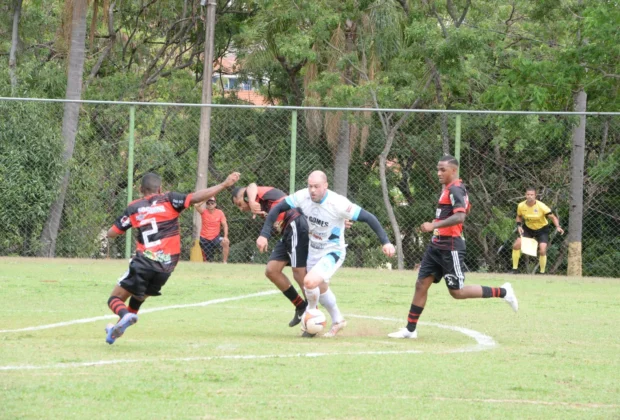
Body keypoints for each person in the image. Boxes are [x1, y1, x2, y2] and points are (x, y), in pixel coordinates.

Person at [388, 156, 517, 339]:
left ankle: (504, 292)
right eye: (438, 169)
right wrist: (439, 225)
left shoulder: (456, 189)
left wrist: (434, 225)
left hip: (451, 247)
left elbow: (460, 217)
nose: (439, 173)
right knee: (421, 284)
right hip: (436, 246)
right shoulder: (449, 190)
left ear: (454, 171)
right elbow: (464, 209)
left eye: (443, 170)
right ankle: (410, 329)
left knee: (457, 292)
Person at [104, 171, 240, 344]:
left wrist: (133, 219)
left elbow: (112, 233)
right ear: (160, 188)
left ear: (140, 189)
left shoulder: (134, 207)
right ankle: (118, 329)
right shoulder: (169, 199)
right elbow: (197, 197)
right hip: (166, 267)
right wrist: (223, 185)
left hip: (144, 261)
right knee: (138, 298)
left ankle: (124, 316)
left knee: (114, 299)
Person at [256, 171, 396, 338]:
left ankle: (311, 317)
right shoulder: (302, 196)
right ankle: (338, 320)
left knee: (309, 282)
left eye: (316, 186)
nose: (312, 190)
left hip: (333, 251)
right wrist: (264, 234)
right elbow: (277, 208)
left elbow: (369, 217)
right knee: (321, 288)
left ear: (325, 186)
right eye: (310, 186)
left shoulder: (338, 203)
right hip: (312, 249)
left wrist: (386, 241)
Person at [232, 183, 309, 327]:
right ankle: (300, 305)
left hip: (295, 224)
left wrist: (253, 201)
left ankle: (313, 312)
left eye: (239, 203)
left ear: (243, 196)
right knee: (271, 270)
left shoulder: (255, 193)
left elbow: (251, 185)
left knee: (299, 272)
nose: (241, 208)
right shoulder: (262, 208)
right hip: (287, 232)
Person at [511, 187, 564, 274]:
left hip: (542, 229)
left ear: (535, 196)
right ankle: (514, 270)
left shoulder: (542, 206)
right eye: (528, 194)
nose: (529, 196)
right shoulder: (521, 205)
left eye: (532, 195)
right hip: (528, 228)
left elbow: (553, 217)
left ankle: (542, 273)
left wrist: (558, 226)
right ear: (525, 195)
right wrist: (519, 226)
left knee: (542, 250)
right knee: (516, 244)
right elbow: (519, 216)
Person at [195, 196, 230, 264]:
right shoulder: (203, 212)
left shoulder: (220, 213)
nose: (210, 205)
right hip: (204, 239)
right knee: (208, 261)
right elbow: (196, 205)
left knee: (226, 242)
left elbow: (225, 225)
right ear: (206, 204)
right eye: (208, 203)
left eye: (212, 203)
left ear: (215, 204)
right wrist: (205, 199)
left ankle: (225, 262)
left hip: (215, 238)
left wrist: (225, 236)